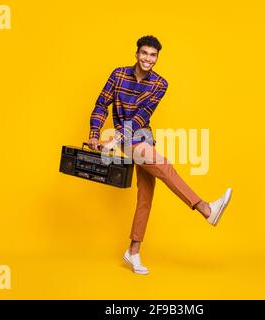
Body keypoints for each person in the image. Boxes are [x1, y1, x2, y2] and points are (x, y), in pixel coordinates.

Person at [87, 35, 232, 275]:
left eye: (153, 55)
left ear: (157, 58)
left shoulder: (160, 84)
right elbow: (102, 104)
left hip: (141, 135)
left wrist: (116, 139)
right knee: (164, 166)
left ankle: (133, 251)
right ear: (136, 54)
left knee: (145, 197)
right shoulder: (118, 75)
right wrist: (95, 133)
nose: (148, 59)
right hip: (127, 138)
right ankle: (206, 208)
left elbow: (142, 116)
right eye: (144, 53)